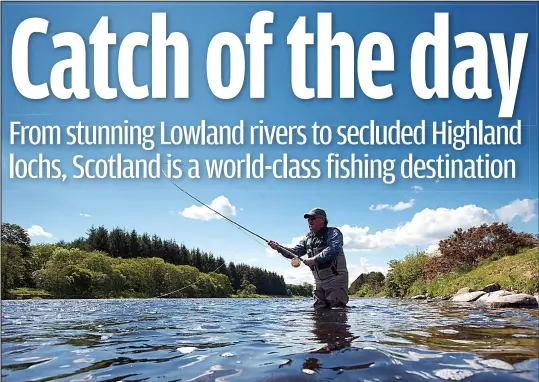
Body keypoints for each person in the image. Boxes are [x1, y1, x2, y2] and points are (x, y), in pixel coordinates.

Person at [268, 208, 349, 309]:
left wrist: (314, 259)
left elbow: (334, 248)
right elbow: (294, 253)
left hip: (336, 278)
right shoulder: (307, 239)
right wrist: (278, 248)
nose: (310, 221)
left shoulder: (333, 232)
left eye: (313, 218)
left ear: (323, 220)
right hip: (318, 281)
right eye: (308, 219)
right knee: (318, 309)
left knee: (337, 309)